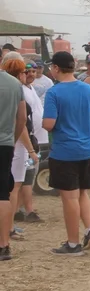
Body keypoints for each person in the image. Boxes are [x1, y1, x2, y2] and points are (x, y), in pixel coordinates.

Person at [42, 52, 90, 256]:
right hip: (89, 149)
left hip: (65, 151)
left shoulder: (54, 92)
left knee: (69, 198)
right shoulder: (88, 89)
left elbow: (48, 124)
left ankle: (72, 244)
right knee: (83, 193)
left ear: (56, 68)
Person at [13, 61, 46, 223]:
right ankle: (26, 210)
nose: (31, 74)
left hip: (35, 139)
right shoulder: (21, 91)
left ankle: (20, 209)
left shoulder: (31, 88)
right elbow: (21, 121)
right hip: (25, 142)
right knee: (25, 177)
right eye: (27, 72)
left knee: (27, 176)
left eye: (34, 71)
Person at [0, 56, 25, 261]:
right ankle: (4, 244)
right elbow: (22, 118)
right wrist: (13, 138)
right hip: (5, 143)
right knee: (3, 194)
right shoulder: (15, 83)